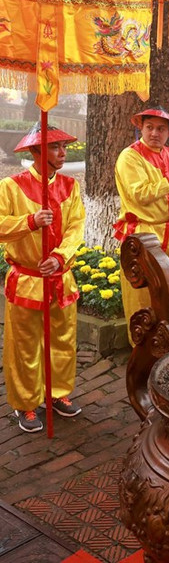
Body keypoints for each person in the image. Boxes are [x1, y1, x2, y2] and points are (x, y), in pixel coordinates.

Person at [0, 124, 86, 432]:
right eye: (54, 147)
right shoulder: (11, 187)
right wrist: (29, 221)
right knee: (24, 345)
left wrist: (59, 257)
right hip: (27, 279)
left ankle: (57, 393)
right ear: (36, 151)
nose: (62, 153)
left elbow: (76, 227)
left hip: (61, 277)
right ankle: (25, 404)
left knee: (63, 340)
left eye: (64, 147)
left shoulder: (69, 186)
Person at [114, 107, 169, 340]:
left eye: (161, 129)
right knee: (143, 293)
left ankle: (167, 339)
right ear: (141, 128)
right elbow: (138, 194)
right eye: (149, 127)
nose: (154, 133)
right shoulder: (130, 156)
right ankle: (142, 345)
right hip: (144, 234)